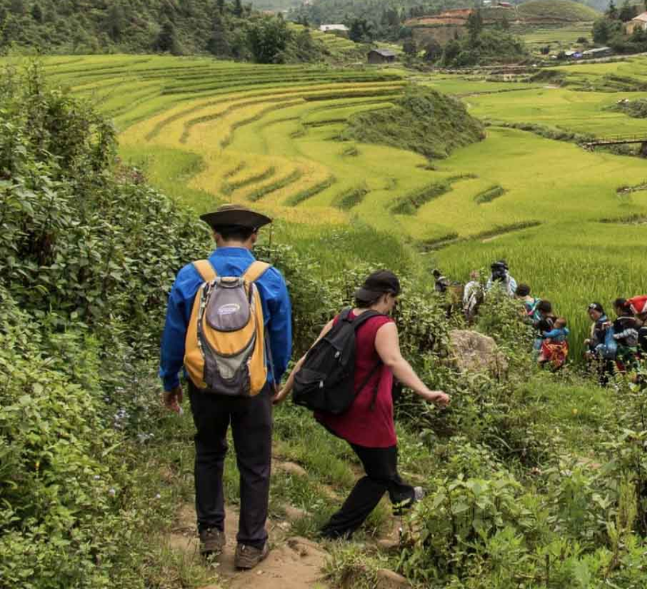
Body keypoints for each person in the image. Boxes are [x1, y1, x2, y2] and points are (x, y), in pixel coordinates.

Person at [159, 204, 292, 570]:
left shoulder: (192, 275)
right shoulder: (269, 278)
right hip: (254, 385)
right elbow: (281, 339)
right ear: (254, 237)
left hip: (204, 383)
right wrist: (275, 377)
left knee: (208, 453)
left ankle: (210, 534)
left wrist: (170, 381)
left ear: (215, 235)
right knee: (255, 463)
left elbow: (173, 334)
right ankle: (250, 545)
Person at [275, 270, 450, 539]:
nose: (393, 305)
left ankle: (404, 494)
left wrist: (282, 393)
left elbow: (308, 358)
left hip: (337, 408)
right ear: (387, 296)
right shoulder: (383, 324)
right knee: (379, 474)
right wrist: (426, 392)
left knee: (383, 465)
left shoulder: (341, 317)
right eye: (394, 299)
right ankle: (334, 532)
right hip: (368, 415)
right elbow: (394, 361)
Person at [611, 298, 640, 370]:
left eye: (614, 308)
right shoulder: (636, 320)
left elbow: (615, 337)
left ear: (619, 309)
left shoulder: (619, 321)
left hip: (624, 352)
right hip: (637, 351)